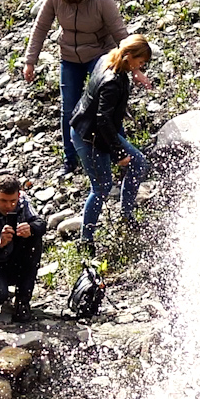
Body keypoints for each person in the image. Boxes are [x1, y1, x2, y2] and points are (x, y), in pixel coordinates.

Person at [23, 0, 128, 176]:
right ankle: (70, 159)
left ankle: (121, 154)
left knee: (106, 107)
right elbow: (41, 26)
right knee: (69, 109)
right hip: (69, 57)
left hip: (100, 54)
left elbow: (120, 33)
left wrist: (134, 67)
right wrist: (30, 61)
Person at [68, 34, 153, 253]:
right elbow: (102, 121)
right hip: (90, 136)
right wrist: (117, 154)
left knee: (139, 162)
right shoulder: (112, 83)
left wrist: (136, 72)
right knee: (102, 187)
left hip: (93, 129)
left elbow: (104, 121)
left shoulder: (108, 58)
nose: (141, 66)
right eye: (140, 62)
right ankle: (86, 241)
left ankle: (126, 216)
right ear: (128, 56)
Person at [0, 175, 47, 323]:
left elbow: (41, 223)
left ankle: (22, 302)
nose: (9, 206)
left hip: (16, 260)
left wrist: (30, 229)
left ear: (18, 196)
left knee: (35, 239)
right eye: (3, 201)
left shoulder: (22, 201)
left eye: (13, 201)